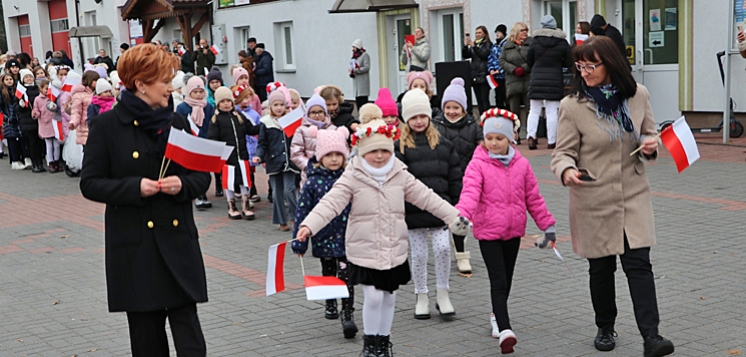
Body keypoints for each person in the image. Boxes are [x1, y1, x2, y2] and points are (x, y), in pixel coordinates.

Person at [295, 118, 471, 356]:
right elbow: (330, 203)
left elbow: (427, 197)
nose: (379, 156)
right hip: (364, 250)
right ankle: (370, 344)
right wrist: (309, 226)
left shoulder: (400, 174)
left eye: (384, 151)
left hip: (393, 249)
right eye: (373, 151)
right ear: (363, 151)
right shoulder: (353, 175)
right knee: (375, 297)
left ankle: (383, 344)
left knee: (389, 298)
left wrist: (453, 217)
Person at [79, 43, 210, 357]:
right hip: (136, 251)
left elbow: (202, 175)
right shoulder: (107, 126)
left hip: (177, 246)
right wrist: (135, 187)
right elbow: (90, 183)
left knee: (191, 341)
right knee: (147, 342)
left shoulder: (175, 123)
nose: (171, 87)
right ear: (140, 84)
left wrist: (184, 184)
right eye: (164, 81)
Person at [550, 36, 675, 357]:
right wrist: (567, 171)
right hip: (593, 196)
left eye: (591, 65)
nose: (585, 71)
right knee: (601, 270)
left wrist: (650, 144)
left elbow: (649, 132)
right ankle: (605, 326)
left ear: (611, 64)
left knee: (639, 266)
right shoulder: (572, 106)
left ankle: (652, 336)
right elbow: (562, 153)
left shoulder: (638, 96)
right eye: (580, 65)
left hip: (633, 195)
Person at [456, 107, 556, 354]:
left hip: (513, 232)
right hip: (488, 232)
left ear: (511, 138)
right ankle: (505, 328)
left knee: (507, 278)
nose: (493, 143)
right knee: (498, 279)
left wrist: (548, 226)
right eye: (489, 138)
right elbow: (470, 192)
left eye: (499, 139)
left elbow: (533, 198)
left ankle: (495, 313)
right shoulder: (477, 163)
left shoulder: (521, 165)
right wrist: (462, 215)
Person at [395, 89, 462, 319]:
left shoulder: (443, 144)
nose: (419, 121)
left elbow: (454, 175)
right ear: (406, 119)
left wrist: (456, 207)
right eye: (413, 117)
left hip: (440, 209)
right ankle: (421, 295)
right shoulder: (400, 147)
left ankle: (443, 293)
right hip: (413, 213)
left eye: (422, 115)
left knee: (443, 249)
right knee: (420, 254)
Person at [292, 125, 358, 339]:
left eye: (338, 154)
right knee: (329, 271)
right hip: (324, 237)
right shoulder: (312, 182)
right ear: (320, 157)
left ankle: (347, 313)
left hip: (348, 236)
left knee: (347, 274)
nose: (334, 159)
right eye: (329, 155)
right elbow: (302, 212)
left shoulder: (350, 178)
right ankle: (330, 301)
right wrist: (299, 241)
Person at [432, 77, 482, 275]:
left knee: (461, 219)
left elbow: (481, 152)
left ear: (464, 108)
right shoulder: (435, 126)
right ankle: (445, 252)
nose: (452, 111)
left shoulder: (473, 127)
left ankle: (462, 255)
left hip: (465, 181)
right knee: (445, 220)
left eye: (456, 107)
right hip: (442, 180)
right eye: (448, 107)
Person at [208, 87, 260, 219]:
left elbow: (251, 129)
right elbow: (212, 138)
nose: (226, 104)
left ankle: (245, 205)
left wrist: (264, 125)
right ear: (218, 103)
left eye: (228, 101)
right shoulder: (216, 120)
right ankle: (232, 206)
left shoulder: (239, 116)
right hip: (227, 157)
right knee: (230, 182)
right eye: (223, 101)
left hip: (241, 156)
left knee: (244, 181)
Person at [253, 88, 300, 231]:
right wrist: (259, 156)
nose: (279, 108)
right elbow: (263, 143)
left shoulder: (291, 121)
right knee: (277, 193)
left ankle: (294, 216)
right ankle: (281, 220)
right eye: (276, 105)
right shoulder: (266, 123)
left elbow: (297, 140)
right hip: (274, 162)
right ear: (271, 106)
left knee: (289, 190)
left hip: (289, 162)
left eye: (281, 105)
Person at [525, 15, 573, 151]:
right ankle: (552, 140)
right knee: (552, 111)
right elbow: (568, 62)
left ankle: (531, 137)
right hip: (555, 78)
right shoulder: (562, 42)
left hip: (537, 77)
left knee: (534, 110)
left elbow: (529, 60)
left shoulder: (535, 41)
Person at [177, 75, 215, 210]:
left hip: (204, 140)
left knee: (204, 169)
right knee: (191, 169)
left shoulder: (208, 106)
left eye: (201, 92)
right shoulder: (182, 107)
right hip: (190, 141)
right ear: (189, 92)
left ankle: (202, 193)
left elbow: (211, 124)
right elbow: (179, 125)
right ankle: (197, 194)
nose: (198, 95)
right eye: (195, 92)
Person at [291, 94, 337, 187]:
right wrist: (310, 165)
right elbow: (296, 153)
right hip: (310, 174)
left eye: (320, 111)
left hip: (330, 172)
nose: (317, 115)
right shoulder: (302, 130)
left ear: (325, 113)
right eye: (313, 112)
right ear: (308, 113)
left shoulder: (333, 129)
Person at [499, 22, 532, 143]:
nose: (525, 32)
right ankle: (515, 135)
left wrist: (524, 68)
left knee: (530, 109)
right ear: (516, 32)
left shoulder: (531, 43)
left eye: (526, 30)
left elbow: (534, 59)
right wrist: (513, 69)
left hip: (528, 79)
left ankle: (531, 135)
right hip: (513, 80)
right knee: (514, 111)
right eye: (522, 30)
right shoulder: (507, 45)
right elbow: (501, 61)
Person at [233, 84, 263, 203]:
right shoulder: (235, 114)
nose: (246, 101)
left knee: (250, 169)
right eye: (243, 98)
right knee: (241, 169)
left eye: (248, 98)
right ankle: (239, 189)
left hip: (251, 144)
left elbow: (256, 127)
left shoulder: (254, 114)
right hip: (241, 144)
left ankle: (252, 190)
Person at [17, 69, 45, 172]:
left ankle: (40, 163)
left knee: (39, 142)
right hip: (27, 120)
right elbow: (17, 107)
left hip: (38, 118)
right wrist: (21, 106)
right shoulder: (21, 91)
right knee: (32, 143)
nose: (29, 79)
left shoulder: (37, 88)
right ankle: (35, 163)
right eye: (26, 77)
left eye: (30, 76)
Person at [32, 80, 62, 173]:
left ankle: (57, 162)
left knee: (56, 145)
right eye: (46, 89)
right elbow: (36, 110)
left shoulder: (54, 97)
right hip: (45, 124)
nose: (47, 91)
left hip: (55, 123)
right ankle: (51, 163)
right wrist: (35, 114)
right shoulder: (38, 99)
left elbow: (59, 109)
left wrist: (55, 107)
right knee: (49, 145)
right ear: (41, 89)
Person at [463, 26, 493, 115]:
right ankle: (481, 119)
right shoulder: (475, 44)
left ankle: (487, 118)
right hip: (475, 74)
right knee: (479, 99)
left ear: (485, 34)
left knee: (484, 99)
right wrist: (465, 47)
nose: (477, 35)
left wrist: (474, 46)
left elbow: (483, 54)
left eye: (479, 33)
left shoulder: (488, 44)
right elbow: (466, 55)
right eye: (476, 33)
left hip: (484, 74)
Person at [1, 73, 27, 170]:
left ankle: (24, 158)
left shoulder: (17, 90)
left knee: (21, 139)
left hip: (18, 118)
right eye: (6, 79)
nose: (9, 81)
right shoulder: (2, 93)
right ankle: (15, 160)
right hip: (8, 120)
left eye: (10, 79)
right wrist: (6, 118)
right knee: (12, 140)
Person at [68, 70, 100, 147]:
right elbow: (76, 111)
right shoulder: (79, 95)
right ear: (90, 81)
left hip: (98, 126)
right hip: (85, 128)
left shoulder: (98, 92)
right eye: (96, 80)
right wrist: (73, 122)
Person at [488, 24, 509, 110]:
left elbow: (507, 59)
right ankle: (499, 114)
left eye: (499, 32)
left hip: (505, 76)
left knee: (506, 97)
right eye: (496, 32)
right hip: (496, 77)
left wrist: (500, 70)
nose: (497, 34)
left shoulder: (507, 45)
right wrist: (491, 69)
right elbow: (490, 58)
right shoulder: (494, 46)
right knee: (498, 97)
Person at [350, 39, 371, 110]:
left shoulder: (365, 55)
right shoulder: (354, 57)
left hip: (362, 83)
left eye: (354, 47)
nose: (353, 49)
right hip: (356, 83)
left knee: (363, 103)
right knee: (358, 103)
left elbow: (366, 67)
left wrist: (355, 70)